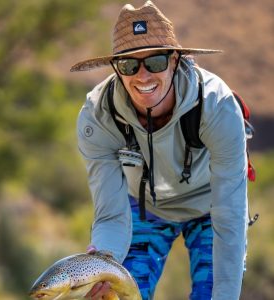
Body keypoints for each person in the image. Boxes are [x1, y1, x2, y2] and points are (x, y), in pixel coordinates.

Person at [71, 1, 248, 299]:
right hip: (143, 209)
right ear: (116, 69)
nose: (142, 76)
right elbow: (110, 215)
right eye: (129, 64)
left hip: (211, 209)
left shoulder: (217, 106)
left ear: (176, 60)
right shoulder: (96, 117)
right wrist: (104, 263)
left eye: (155, 62)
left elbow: (231, 216)